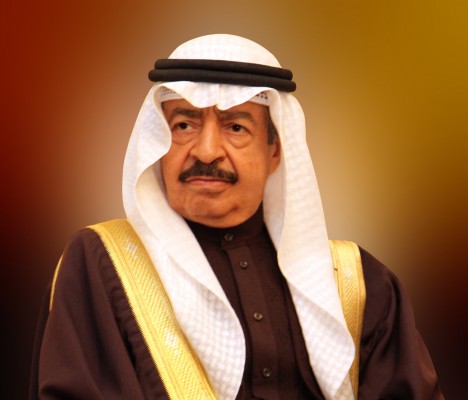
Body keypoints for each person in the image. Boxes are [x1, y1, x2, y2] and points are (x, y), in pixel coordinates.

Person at [29, 34, 443, 400]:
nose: (206, 151)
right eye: (184, 125)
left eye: (236, 128)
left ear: (275, 150)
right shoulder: (102, 265)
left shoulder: (357, 283)